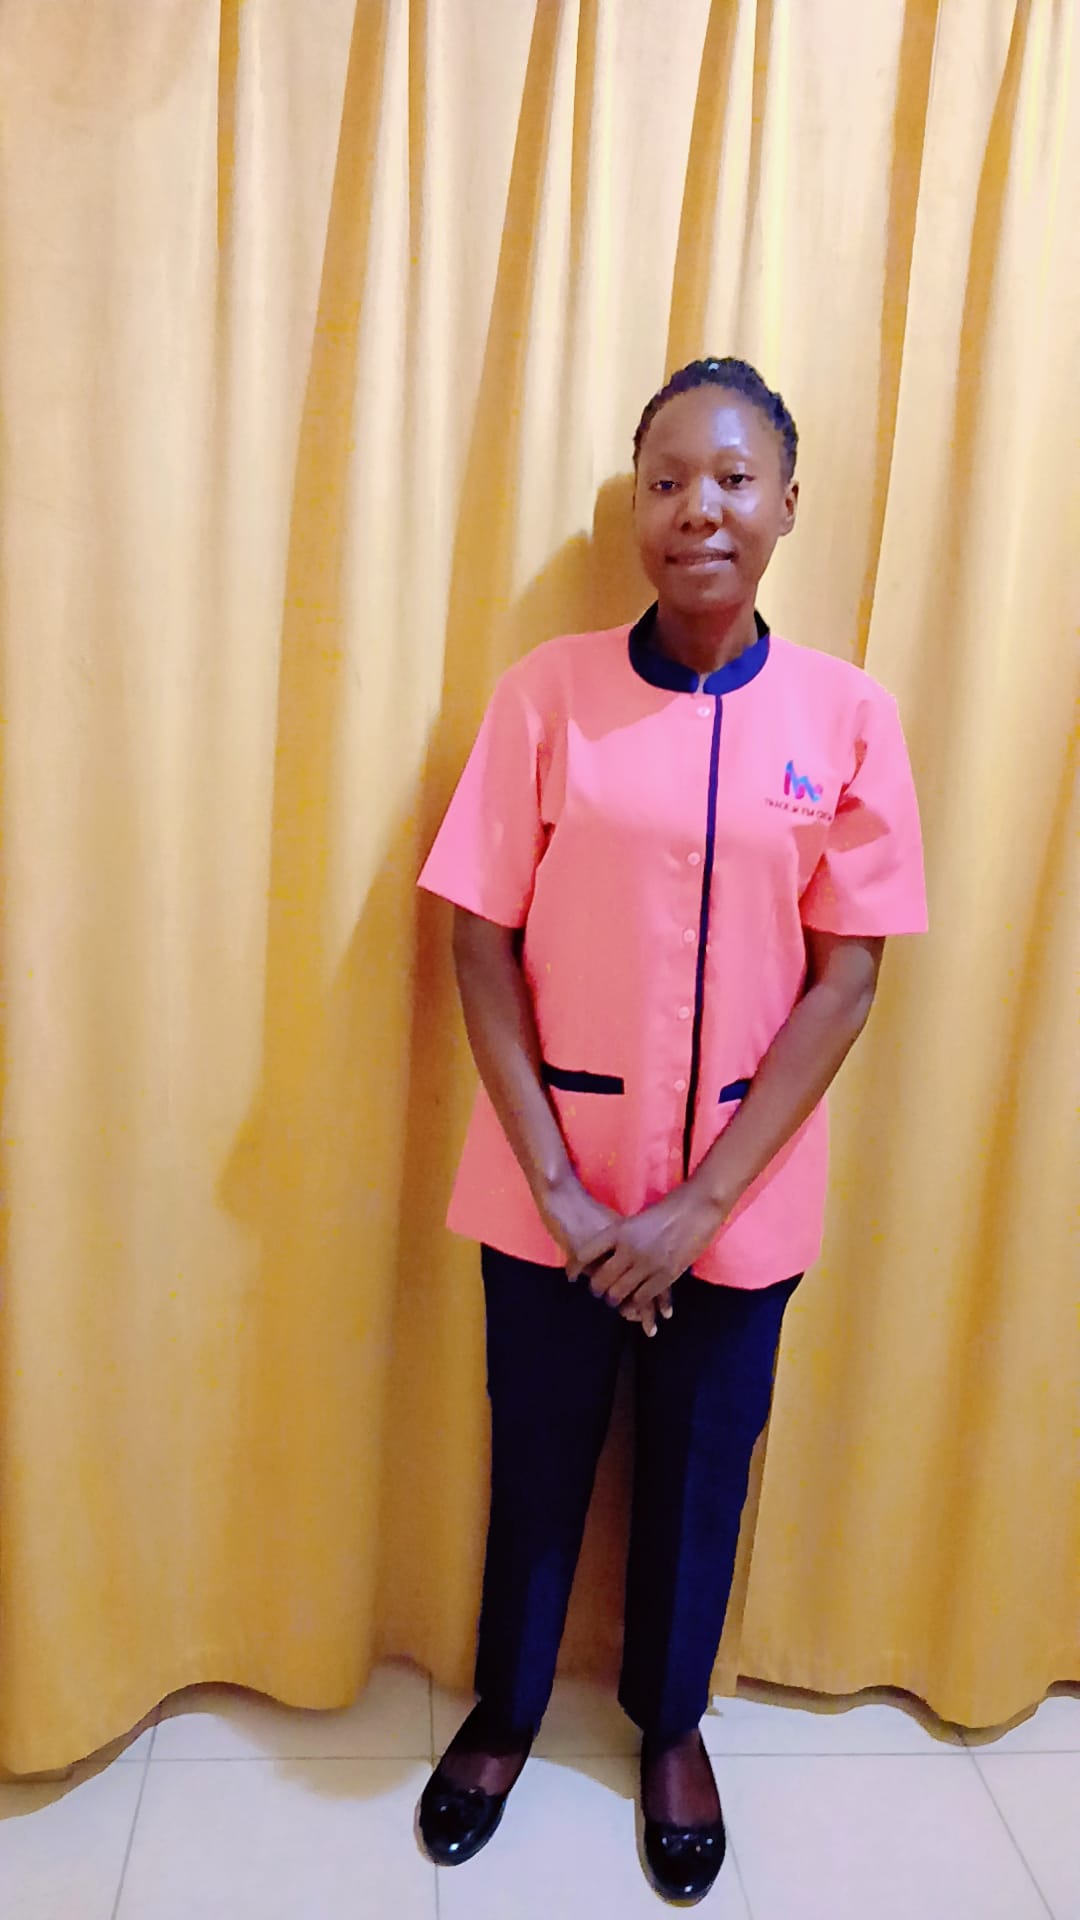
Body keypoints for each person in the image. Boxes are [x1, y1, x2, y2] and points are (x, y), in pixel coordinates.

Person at [415, 357, 927, 1904]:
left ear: (787, 503)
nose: (697, 508)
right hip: (552, 1189)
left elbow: (849, 978)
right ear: (636, 508)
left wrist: (697, 1211)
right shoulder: (547, 697)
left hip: (739, 1202)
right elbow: (478, 939)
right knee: (539, 1455)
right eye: (664, 481)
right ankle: (506, 1713)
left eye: (731, 478)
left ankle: (673, 1727)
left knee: (704, 1475)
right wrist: (567, 1198)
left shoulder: (848, 716)